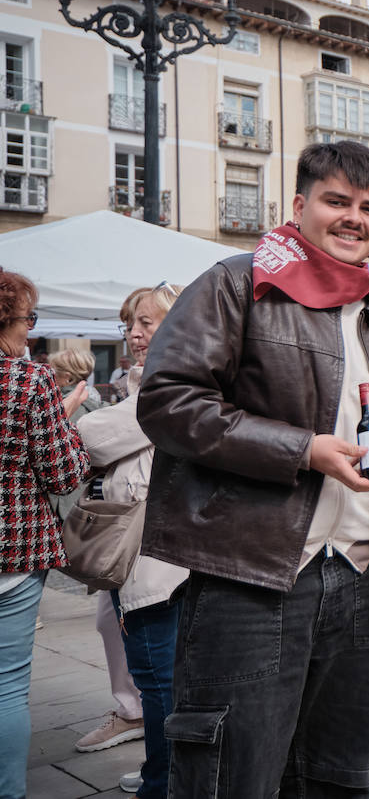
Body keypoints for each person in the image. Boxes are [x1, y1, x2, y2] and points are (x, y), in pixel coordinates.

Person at [136, 141, 369, 797]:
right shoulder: (237, 283)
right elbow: (168, 402)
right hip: (252, 580)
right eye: (337, 201)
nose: (354, 218)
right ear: (299, 205)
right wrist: (303, 450)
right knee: (233, 775)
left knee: (338, 778)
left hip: (362, 585)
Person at [76, 284, 188, 798]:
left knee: (158, 680)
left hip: (157, 564)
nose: (135, 334)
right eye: (130, 324)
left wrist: (80, 415)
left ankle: (163, 783)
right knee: (163, 678)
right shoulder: (144, 383)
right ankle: (162, 772)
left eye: (147, 322)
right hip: (152, 558)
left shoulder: (169, 387)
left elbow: (88, 439)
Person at [0, 269, 90, 799]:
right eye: (26, 320)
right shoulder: (27, 381)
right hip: (13, 554)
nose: (30, 331)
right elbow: (64, 474)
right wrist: (64, 419)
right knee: (8, 684)